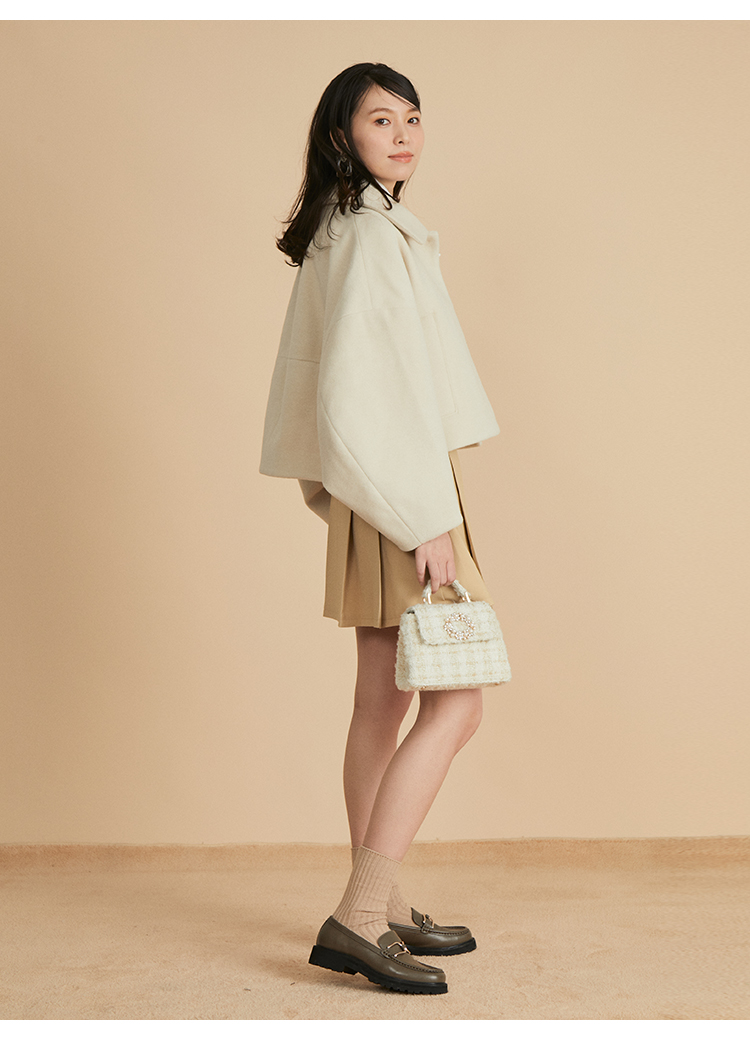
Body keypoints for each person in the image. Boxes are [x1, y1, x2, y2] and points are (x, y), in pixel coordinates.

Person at [260, 63, 503, 995]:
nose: (403, 135)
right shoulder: (367, 234)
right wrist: (423, 517)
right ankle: (361, 917)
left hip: (378, 498)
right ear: (342, 137)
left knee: (380, 702)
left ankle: (384, 901)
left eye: (412, 119)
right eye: (380, 120)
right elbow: (361, 399)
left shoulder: (349, 226)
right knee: (457, 703)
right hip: (403, 498)